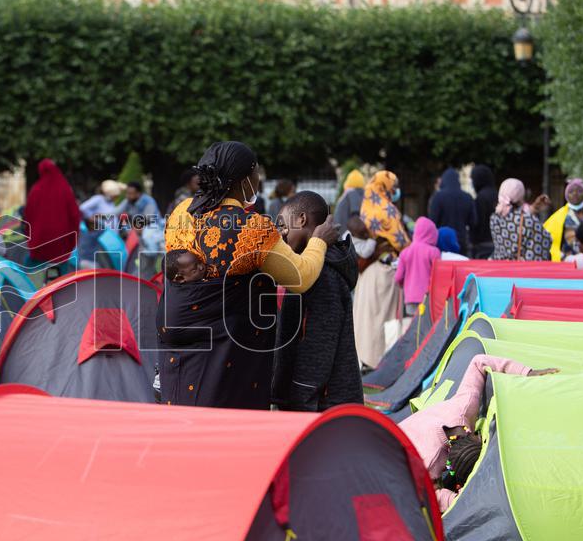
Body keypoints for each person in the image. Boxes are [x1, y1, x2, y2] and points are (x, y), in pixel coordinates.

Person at [158, 141, 338, 410]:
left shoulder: (180, 213)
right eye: (256, 173)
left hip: (179, 343)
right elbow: (301, 277)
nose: (259, 180)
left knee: (185, 417)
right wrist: (319, 240)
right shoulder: (251, 228)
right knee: (228, 425)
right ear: (244, 180)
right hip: (227, 353)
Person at [399, 355, 557, 511]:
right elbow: (431, 498)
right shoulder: (428, 465)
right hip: (395, 451)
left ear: (474, 435)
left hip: (406, 432)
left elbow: (479, 361)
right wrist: (460, 498)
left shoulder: (463, 407)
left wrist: (526, 372)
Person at [271, 192, 362, 412]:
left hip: (320, 403)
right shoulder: (306, 268)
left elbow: (319, 343)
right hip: (313, 399)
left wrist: (301, 398)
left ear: (301, 219)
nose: (280, 235)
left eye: (282, 226)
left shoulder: (323, 274)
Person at [23, 159, 80, 273]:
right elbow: (74, 215)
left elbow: (28, 215)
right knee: (62, 273)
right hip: (61, 240)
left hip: (40, 239)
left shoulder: (36, 189)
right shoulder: (65, 189)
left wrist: (28, 234)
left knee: (33, 271)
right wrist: (74, 237)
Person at [490, 178, 552, 261]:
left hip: (498, 264)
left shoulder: (494, 217)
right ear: (521, 195)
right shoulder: (529, 220)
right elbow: (545, 240)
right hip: (520, 267)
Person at [394, 217, 440, 315]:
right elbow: (438, 276)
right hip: (429, 297)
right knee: (426, 323)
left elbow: (398, 277)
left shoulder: (405, 253)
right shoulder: (434, 252)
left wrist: (405, 284)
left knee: (413, 323)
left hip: (410, 298)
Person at [429, 168, 477, 256]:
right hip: (461, 242)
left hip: (442, 242)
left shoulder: (438, 197)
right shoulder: (468, 197)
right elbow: (473, 222)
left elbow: (432, 221)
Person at [360, 170, 409, 253]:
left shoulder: (364, 206)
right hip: (389, 255)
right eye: (393, 186)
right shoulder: (388, 209)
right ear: (385, 186)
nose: (395, 190)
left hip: (371, 254)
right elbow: (400, 242)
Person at [78, 180, 122, 267]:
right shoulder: (98, 199)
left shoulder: (111, 203)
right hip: (101, 239)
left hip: (110, 238)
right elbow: (82, 208)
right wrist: (92, 218)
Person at [470, 165, 497, 259]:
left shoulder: (481, 197)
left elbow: (478, 221)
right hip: (497, 242)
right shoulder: (498, 194)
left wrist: (473, 240)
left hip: (483, 245)